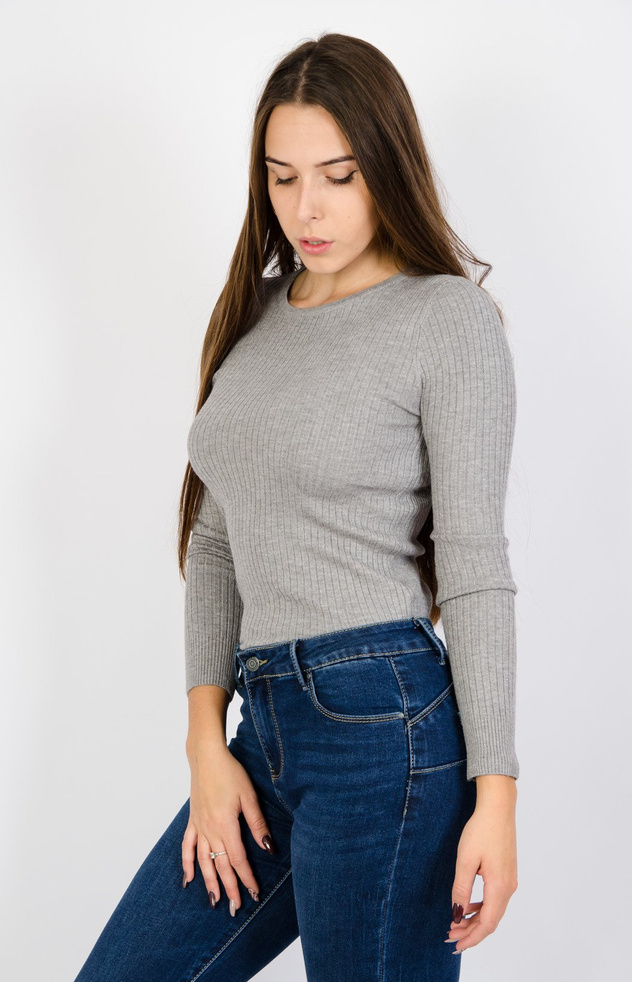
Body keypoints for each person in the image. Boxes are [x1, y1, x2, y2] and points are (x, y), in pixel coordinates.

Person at [73, 31, 519, 982]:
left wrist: (497, 795)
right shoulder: (260, 313)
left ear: (387, 165)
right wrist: (204, 743)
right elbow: (217, 539)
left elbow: (475, 564)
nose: (306, 208)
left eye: (338, 176)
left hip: (383, 729)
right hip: (262, 734)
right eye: (282, 178)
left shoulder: (445, 318)